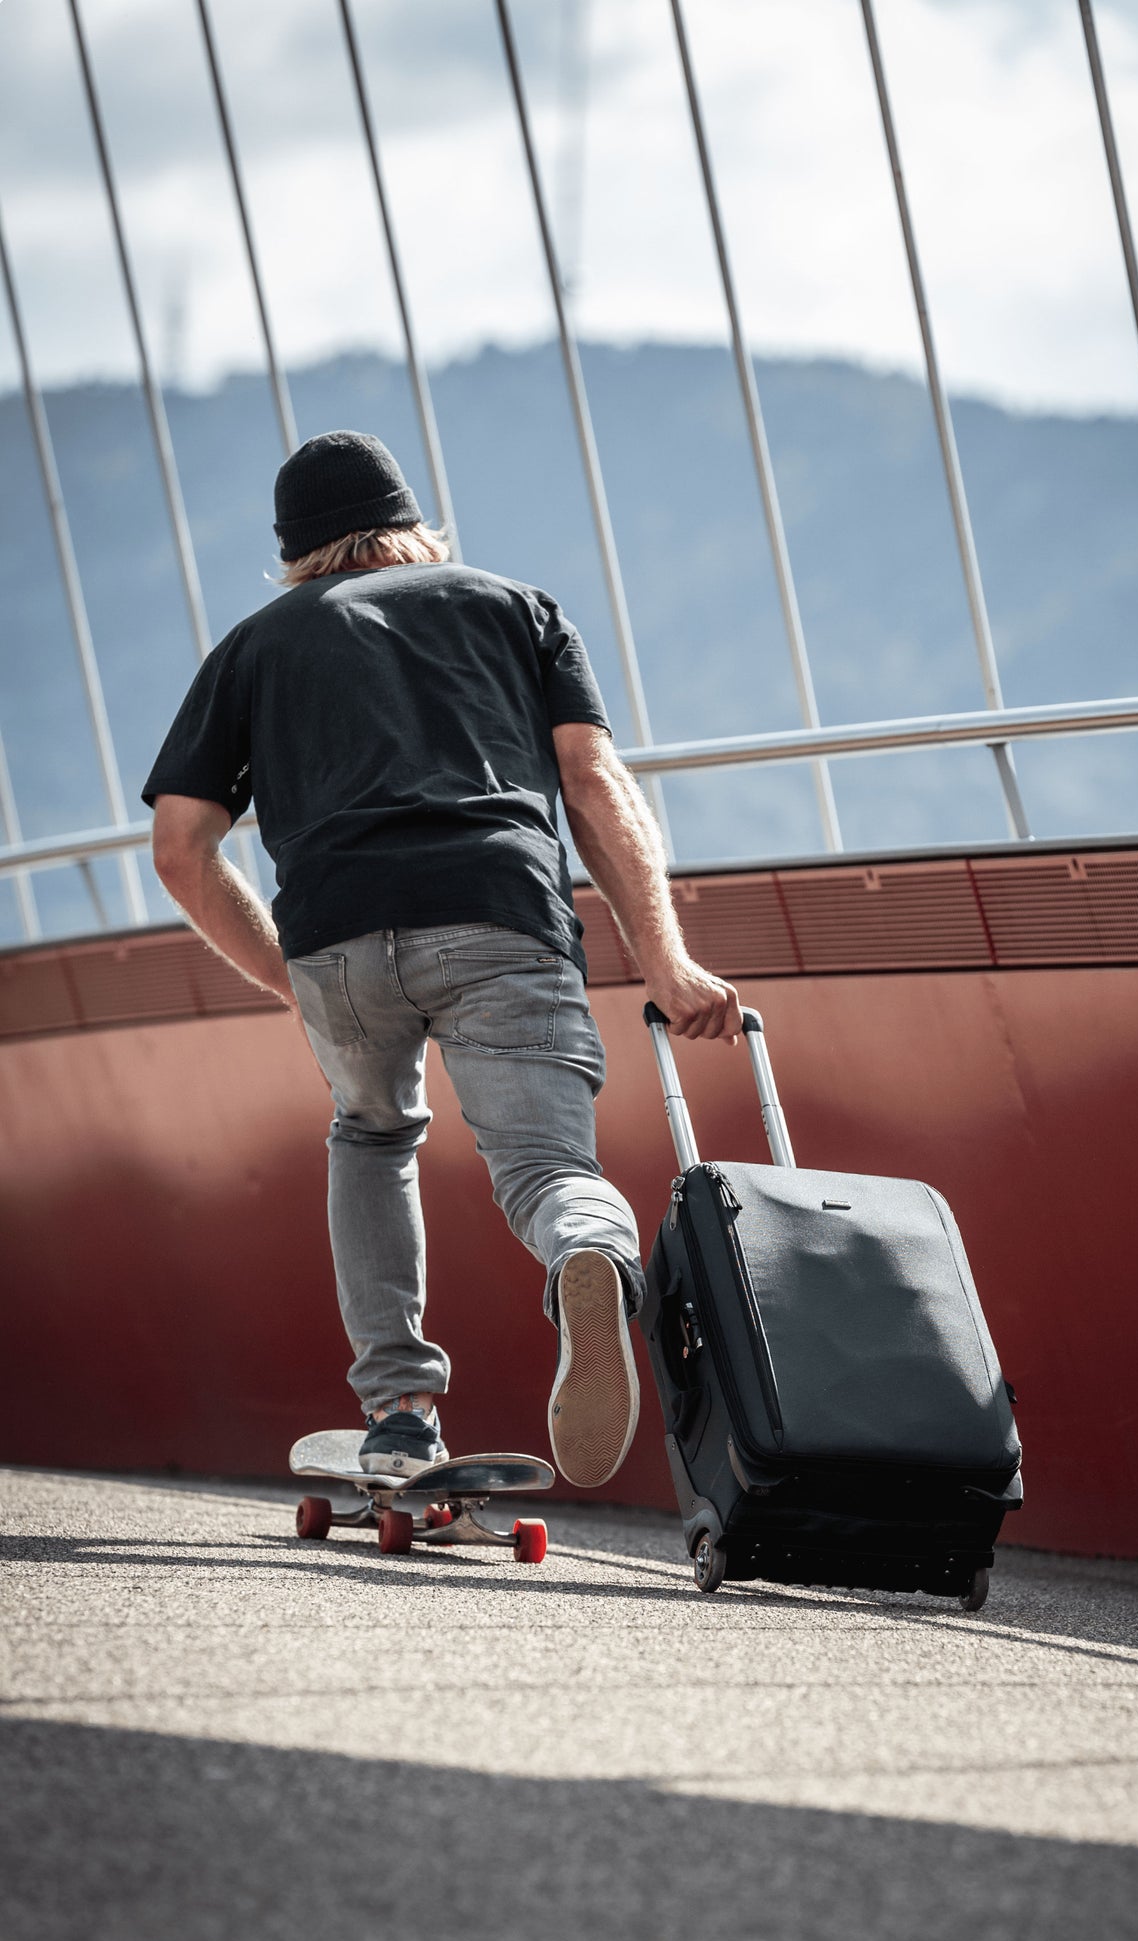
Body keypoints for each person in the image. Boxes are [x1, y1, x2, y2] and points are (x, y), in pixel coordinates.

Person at [144, 430, 740, 1487]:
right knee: (547, 1171)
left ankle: (401, 1413)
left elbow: (181, 851)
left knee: (371, 1135)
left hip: (336, 933)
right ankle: (586, 1253)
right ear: (411, 522)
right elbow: (592, 787)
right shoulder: (516, 608)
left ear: (293, 552)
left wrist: (291, 976)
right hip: (497, 909)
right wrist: (668, 961)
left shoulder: (251, 647)